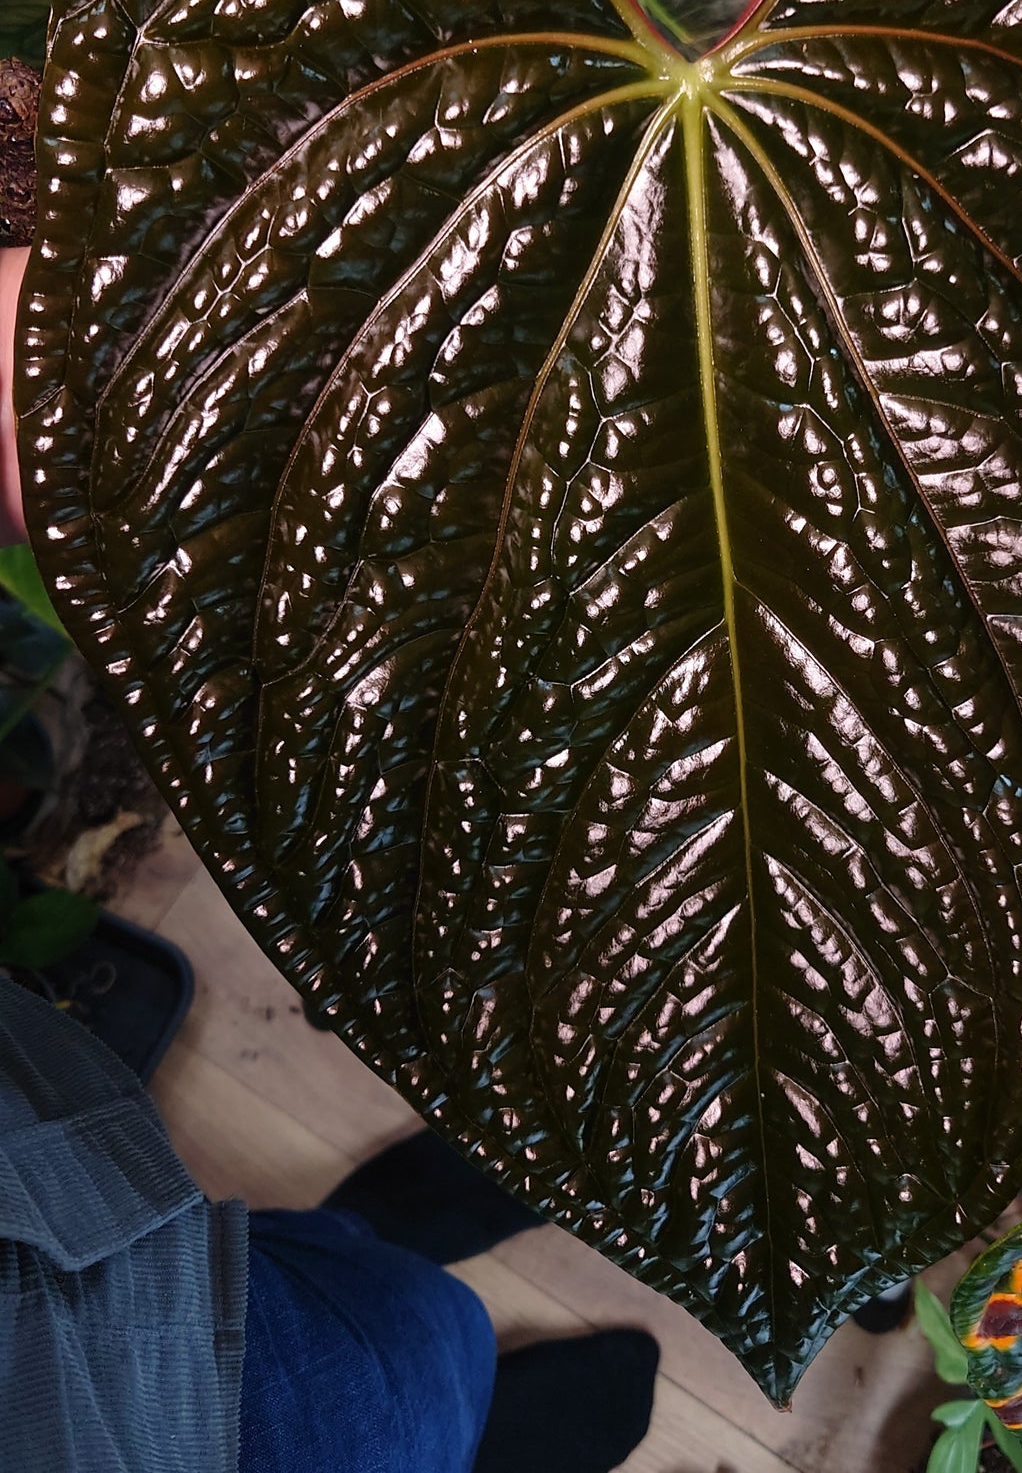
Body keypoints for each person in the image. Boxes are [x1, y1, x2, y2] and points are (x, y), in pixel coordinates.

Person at [0, 241, 660, 1473]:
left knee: (311, 1297)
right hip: (149, 1424)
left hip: (69, 1278)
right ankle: (447, 1397)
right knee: (398, 1375)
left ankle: (362, 1251)